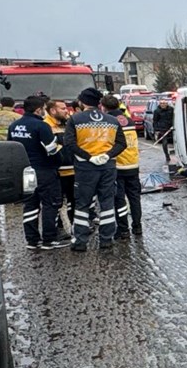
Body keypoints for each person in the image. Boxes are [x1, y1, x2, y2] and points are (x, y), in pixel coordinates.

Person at [63, 88, 126, 251]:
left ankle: (80, 242)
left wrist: (88, 156)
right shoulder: (112, 120)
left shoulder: (74, 120)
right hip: (108, 167)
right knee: (107, 202)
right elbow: (121, 143)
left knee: (83, 204)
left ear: (82, 102)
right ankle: (106, 239)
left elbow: (69, 144)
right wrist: (107, 155)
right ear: (99, 103)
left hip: (85, 168)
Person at [8, 96, 70, 249]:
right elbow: (51, 150)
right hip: (44, 171)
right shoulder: (41, 126)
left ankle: (32, 240)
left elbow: (11, 149)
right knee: (51, 203)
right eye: (43, 108)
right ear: (38, 109)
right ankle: (50, 239)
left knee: (30, 204)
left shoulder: (14, 126)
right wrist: (58, 162)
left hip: (25, 172)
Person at [102, 95, 142, 238]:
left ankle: (123, 229)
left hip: (117, 166)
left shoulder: (108, 122)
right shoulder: (129, 120)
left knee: (119, 200)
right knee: (135, 198)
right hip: (133, 164)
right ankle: (137, 227)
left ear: (104, 107)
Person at [43, 98, 76, 230]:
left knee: (74, 200)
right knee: (55, 202)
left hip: (73, 170)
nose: (66, 111)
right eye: (62, 108)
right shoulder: (45, 126)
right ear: (52, 110)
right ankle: (58, 229)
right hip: (57, 171)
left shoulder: (67, 123)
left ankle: (75, 225)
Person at [151, 97, 175, 164]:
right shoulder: (157, 111)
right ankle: (167, 156)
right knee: (165, 143)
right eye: (161, 103)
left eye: (164, 103)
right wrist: (156, 129)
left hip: (171, 127)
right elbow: (155, 121)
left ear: (167, 104)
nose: (163, 105)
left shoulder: (171, 109)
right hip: (163, 129)